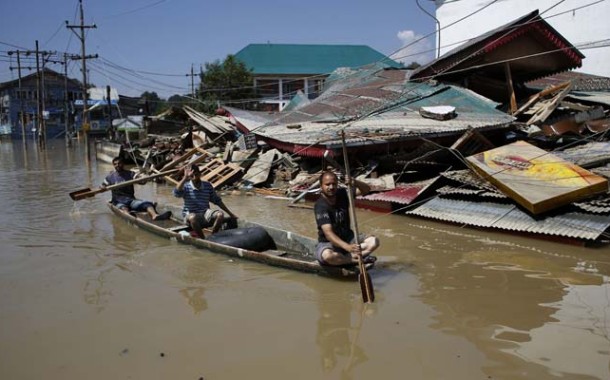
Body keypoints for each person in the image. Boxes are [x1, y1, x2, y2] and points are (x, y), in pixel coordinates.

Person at [314, 171, 379, 266]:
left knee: (374, 241)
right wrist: (347, 247)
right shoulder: (320, 206)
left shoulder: (343, 194)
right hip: (329, 243)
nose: (331, 187)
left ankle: (347, 257)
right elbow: (329, 234)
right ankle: (355, 260)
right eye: (327, 184)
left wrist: (355, 182)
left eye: (334, 184)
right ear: (321, 186)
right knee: (328, 256)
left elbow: (366, 189)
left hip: (348, 237)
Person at [173, 164, 237, 238]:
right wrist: (185, 177)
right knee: (192, 218)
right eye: (191, 175)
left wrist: (231, 214)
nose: (194, 177)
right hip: (190, 214)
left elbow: (217, 201)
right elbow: (176, 193)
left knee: (220, 215)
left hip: (205, 213)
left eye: (196, 174)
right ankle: (203, 239)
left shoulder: (207, 185)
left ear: (200, 174)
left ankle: (213, 236)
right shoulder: (186, 186)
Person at [101, 156, 172, 221]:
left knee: (147, 204)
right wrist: (103, 187)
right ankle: (130, 218)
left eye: (119, 163)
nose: (117, 165)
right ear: (113, 165)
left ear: (123, 164)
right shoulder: (110, 177)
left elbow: (141, 182)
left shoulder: (130, 174)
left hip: (131, 200)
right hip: (118, 202)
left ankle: (155, 216)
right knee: (124, 209)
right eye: (115, 164)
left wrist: (144, 179)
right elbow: (103, 186)